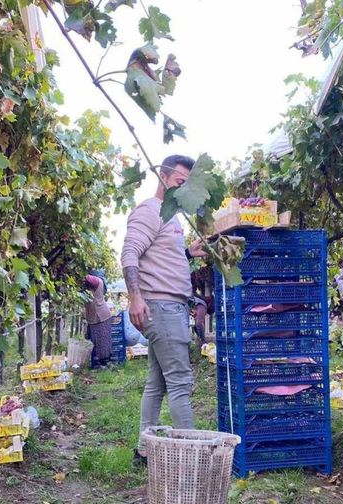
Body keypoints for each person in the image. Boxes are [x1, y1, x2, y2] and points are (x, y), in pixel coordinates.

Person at [121, 155, 206, 465]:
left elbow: (155, 256)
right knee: (181, 382)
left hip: (168, 306)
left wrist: (187, 252)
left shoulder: (170, 216)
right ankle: (192, 458)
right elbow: (130, 254)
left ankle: (145, 451)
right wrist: (134, 297)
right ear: (162, 177)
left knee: (156, 383)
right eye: (179, 183)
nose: (183, 190)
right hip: (162, 307)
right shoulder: (150, 211)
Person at [83, 271, 112, 368]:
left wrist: (77, 275)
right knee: (96, 340)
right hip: (96, 316)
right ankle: (99, 363)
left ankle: (103, 363)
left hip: (100, 315)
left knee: (102, 340)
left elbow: (87, 277)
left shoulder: (98, 281)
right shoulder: (93, 285)